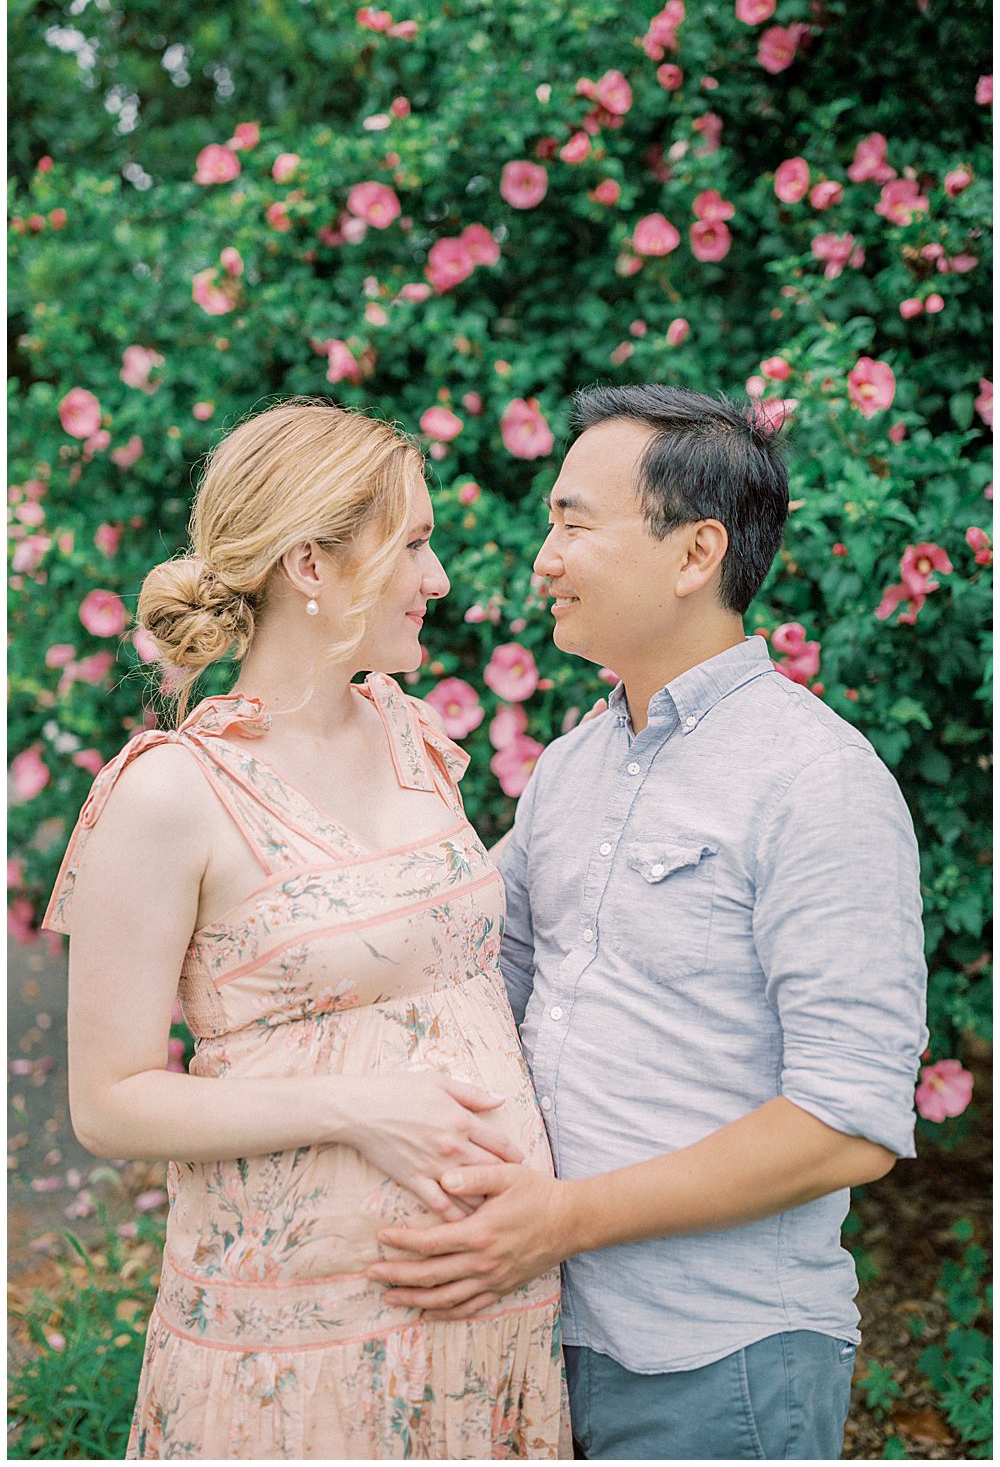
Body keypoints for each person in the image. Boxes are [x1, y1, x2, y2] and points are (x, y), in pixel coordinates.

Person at [367, 385, 929, 1460]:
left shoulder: (817, 781)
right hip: (534, 1330)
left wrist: (562, 1217)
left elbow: (846, 1121)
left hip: (720, 1360)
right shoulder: (574, 762)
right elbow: (479, 978)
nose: (544, 556)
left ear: (693, 552)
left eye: (575, 522)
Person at [44, 400, 570, 1460]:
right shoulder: (171, 794)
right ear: (311, 566)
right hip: (299, 1349)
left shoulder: (413, 732)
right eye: (414, 543)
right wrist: (359, 1107)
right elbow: (108, 1102)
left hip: (488, 1313)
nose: (440, 580)